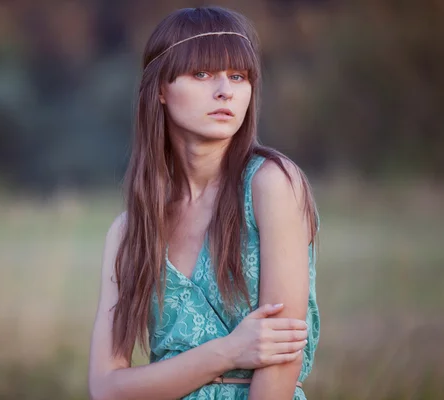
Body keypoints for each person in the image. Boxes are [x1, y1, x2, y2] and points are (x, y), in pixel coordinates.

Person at [88, 6, 319, 400]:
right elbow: (107, 388)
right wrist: (228, 351)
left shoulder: (271, 185)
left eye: (238, 76)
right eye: (201, 74)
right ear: (160, 89)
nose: (225, 90)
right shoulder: (130, 231)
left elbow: (282, 359)